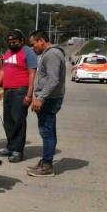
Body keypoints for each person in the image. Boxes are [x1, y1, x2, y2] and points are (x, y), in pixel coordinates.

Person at [27, 29, 66, 177]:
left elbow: (53, 79)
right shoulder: (50, 54)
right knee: (49, 131)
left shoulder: (52, 54)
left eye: (33, 44)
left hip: (49, 99)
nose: (32, 48)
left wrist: (41, 97)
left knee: (46, 132)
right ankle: (45, 161)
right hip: (49, 98)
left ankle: (47, 166)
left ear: (41, 40)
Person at [0, 29, 37, 163]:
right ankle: (10, 146)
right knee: (8, 121)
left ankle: (17, 150)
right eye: (9, 42)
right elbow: (3, 71)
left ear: (21, 41)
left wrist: (29, 94)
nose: (12, 44)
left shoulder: (28, 52)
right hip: (8, 91)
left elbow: (32, 73)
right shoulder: (8, 53)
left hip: (21, 91)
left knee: (18, 121)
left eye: (14, 42)